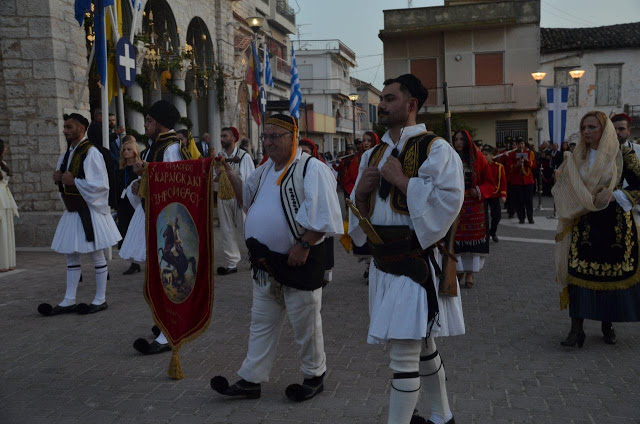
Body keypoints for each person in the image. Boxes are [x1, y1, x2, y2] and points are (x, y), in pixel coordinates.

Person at [349, 74, 463, 424]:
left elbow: (449, 203)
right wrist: (363, 193)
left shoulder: (437, 149)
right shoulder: (373, 152)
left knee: (403, 354)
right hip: (384, 264)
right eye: (382, 98)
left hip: (414, 264)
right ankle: (443, 416)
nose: (381, 104)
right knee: (423, 347)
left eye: (390, 98)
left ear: (411, 105)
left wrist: (401, 180)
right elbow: (359, 220)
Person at [210, 114, 343, 402]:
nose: (268, 142)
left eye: (275, 137)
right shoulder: (265, 170)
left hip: (300, 261)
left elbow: (327, 216)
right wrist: (229, 175)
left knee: (305, 324)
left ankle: (314, 375)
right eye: (265, 136)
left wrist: (304, 245)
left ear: (292, 137)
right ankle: (251, 379)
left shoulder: (311, 168)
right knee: (261, 323)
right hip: (265, 264)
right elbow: (246, 200)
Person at [553, 111, 640, 348]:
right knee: (578, 274)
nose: (586, 132)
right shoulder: (578, 155)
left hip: (615, 225)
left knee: (609, 275)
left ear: (604, 129)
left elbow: (639, 185)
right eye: (584, 127)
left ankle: (607, 324)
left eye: (592, 127)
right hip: (584, 223)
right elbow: (569, 184)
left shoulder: (622, 154)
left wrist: (616, 195)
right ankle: (576, 330)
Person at [119, 100, 187, 355]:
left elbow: (175, 183)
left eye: (148, 120)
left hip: (166, 221)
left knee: (166, 276)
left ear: (158, 122)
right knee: (156, 278)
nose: (145, 125)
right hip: (152, 215)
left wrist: (147, 174)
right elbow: (149, 180)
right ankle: (163, 321)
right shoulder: (153, 147)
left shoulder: (171, 147)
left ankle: (170, 329)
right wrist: (139, 184)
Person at [38, 113, 122, 316]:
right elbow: (65, 182)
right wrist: (59, 179)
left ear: (82, 128)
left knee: (96, 252)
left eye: (69, 127)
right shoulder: (67, 154)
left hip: (89, 211)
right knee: (71, 255)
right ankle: (69, 299)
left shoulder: (91, 153)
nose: (65, 130)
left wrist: (74, 181)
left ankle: (100, 298)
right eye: (64, 127)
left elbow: (101, 186)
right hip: (73, 210)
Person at [452, 130, 494, 288]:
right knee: (456, 239)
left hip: (474, 205)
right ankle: (458, 270)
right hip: (457, 205)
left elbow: (489, 181)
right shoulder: (450, 158)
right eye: (456, 139)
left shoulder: (478, 158)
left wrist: (480, 190)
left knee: (472, 242)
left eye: (462, 139)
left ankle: (469, 273)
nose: (458, 142)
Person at [215, 126, 255, 275]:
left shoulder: (244, 156)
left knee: (247, 229)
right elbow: (215, 179)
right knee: (226, 230)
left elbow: (249, 179)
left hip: (238, 197)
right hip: (223, 196)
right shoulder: (219, 156)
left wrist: (243, 198)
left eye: (225, 136)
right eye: (221, 136)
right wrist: (218, 173)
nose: (222, 139)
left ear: (234, 138)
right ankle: (232, 263)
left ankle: (255, 258)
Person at [299, 137, 336, 285]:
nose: (302, 156)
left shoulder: (320, 168)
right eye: (300, 152)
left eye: (306, 152)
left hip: (320, 215)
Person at [116, 135, 141, 275]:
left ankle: (137, 260)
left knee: (136, 231)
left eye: (129, 149)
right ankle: (133, 262)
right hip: (123, 203)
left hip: (135, 203)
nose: (126, 152)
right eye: (124, 149)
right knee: (125, 230)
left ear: (135, 151)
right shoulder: (121, 170)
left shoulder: (138, 168)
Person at [506, 137, 536, 224]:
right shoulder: (512, 154)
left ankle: (530, 217)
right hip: (517, 181)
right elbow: (509, 167)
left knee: (529, 201)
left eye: (522, 143)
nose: (521, 145)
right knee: (519, 201)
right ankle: (521, 218)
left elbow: (534, 166)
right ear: (517, 145)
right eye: (519, 144)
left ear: (524, 144)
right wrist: (516, 165)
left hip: (528, 180)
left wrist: (527, 161)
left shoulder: (530, 153)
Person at [481, 145, 507, 243]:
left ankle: (493, 232)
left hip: (494, 194)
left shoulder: (499, 167)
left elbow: (503, 182)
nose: (484, 156)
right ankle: (486, 235)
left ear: (492, 156)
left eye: (486, 154)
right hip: (483, 195)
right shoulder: (480, 167)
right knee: (484, 217)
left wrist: (503, 195)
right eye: (482, 154)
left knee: (497, 216)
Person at [0, 139, 18, 272]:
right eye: (3, 147)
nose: (5, 149)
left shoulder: (3, 164)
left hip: (4, 197)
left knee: (6, 227)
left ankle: (7, 262)